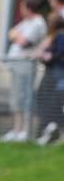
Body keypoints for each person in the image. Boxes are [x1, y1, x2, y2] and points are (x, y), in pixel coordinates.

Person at [0, 0, 47, 143]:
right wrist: (16, 35)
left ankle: (25, 131)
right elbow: (11, 33)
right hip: (16, 63)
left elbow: (23, 41)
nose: (21, 11)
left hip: (26, 65)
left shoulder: (38, 23)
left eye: (22, 8)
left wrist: (16, 36)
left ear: (29, 8)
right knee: (16, 97)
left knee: (25, 96)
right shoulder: (26, 22)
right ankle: (16, 129)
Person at [35, 13, 64, 146]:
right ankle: (52, 134)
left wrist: (47, 56)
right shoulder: (54, 37)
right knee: (49, 102)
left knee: (56, 104)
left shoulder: (61, 37)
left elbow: (58, 55)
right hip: (54, 74)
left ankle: (54, 134)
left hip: (58, 75)